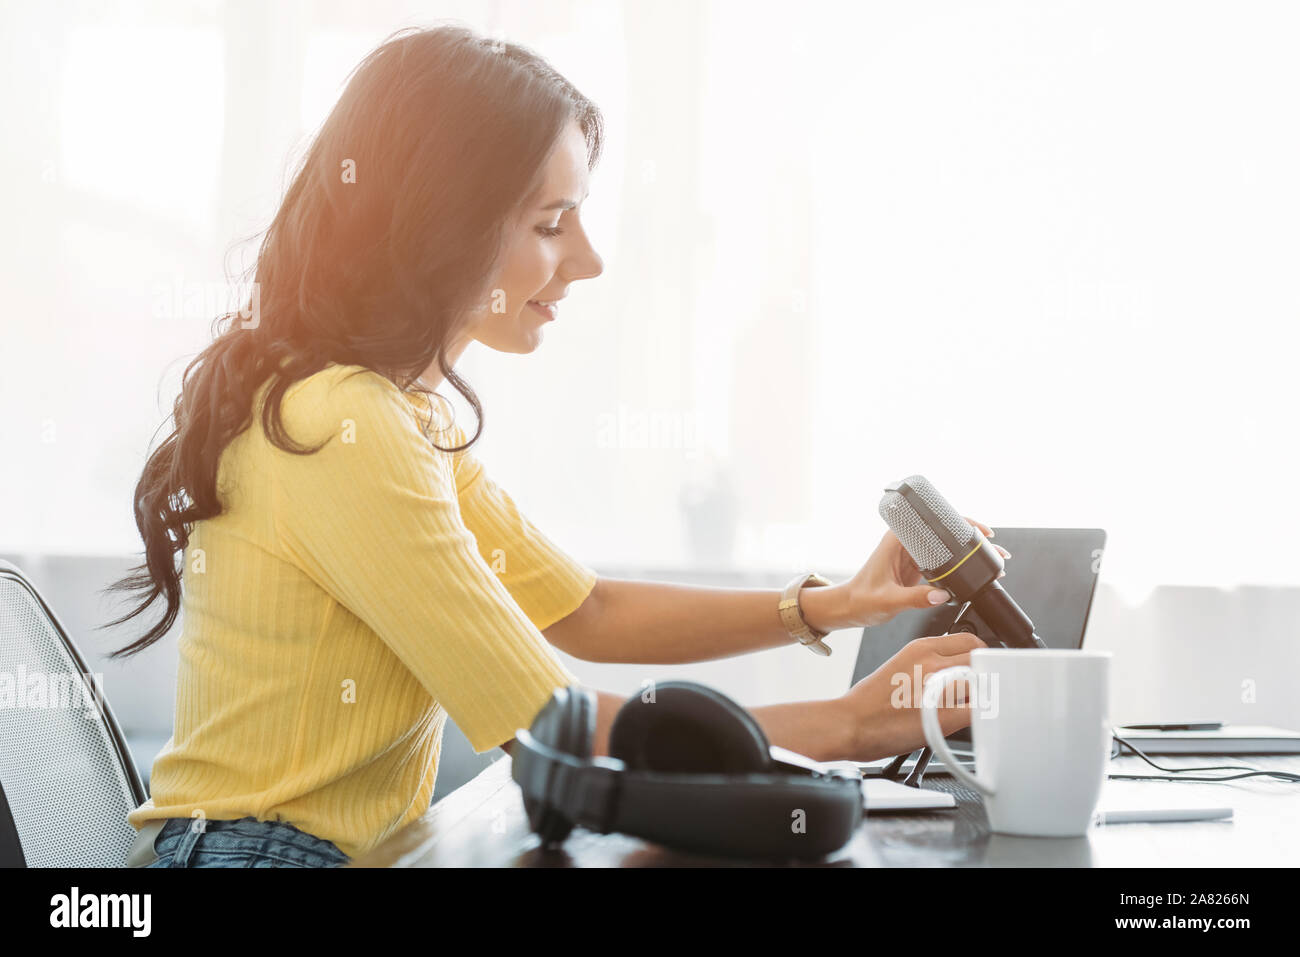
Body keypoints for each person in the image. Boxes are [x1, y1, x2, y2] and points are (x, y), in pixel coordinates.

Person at [106, 25, 1007, 868]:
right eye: (550, 223)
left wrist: (831, 604)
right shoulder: (347, 428)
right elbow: (554, 727)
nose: (587, 259)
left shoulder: (398, 415)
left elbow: (588, 611)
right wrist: (852, 725)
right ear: (439, 228)